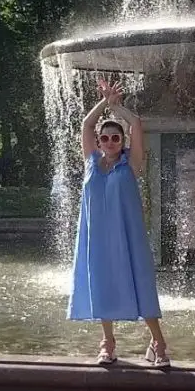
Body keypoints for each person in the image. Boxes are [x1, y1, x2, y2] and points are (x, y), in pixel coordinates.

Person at [67, 79, 170, 367]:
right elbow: (87, 124)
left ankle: (158, 343)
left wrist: (116, 106)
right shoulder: (91, 161)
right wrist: (103, 103)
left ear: (122, 141)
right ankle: (108, 343)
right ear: (99, 142)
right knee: (102, 283)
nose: (110, 142)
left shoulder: (131, 163)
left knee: (141, 283)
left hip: (128, 234)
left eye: (115, 138)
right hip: (97, 237)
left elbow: (136, 123)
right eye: (105, 138)